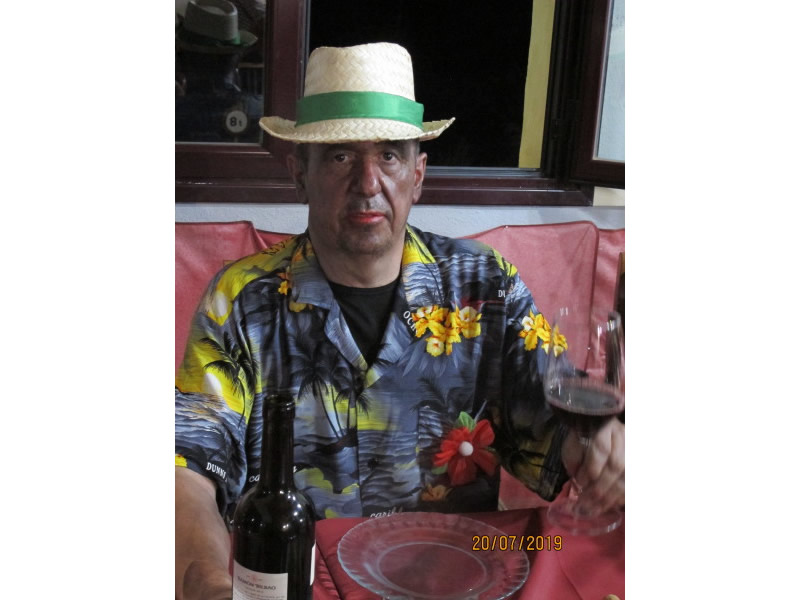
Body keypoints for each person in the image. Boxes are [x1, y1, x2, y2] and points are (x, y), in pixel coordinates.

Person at [175, 42, 625, 600]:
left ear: (418, 175)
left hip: (458, 578)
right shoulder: (240, 301)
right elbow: (188, 467)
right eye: (340, 157)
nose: (368, 182)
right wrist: (203, 579)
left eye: (389, 155)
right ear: (299, 175)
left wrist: (598, 447)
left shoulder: (486, 286)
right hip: (298, 584)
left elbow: (557, 422)